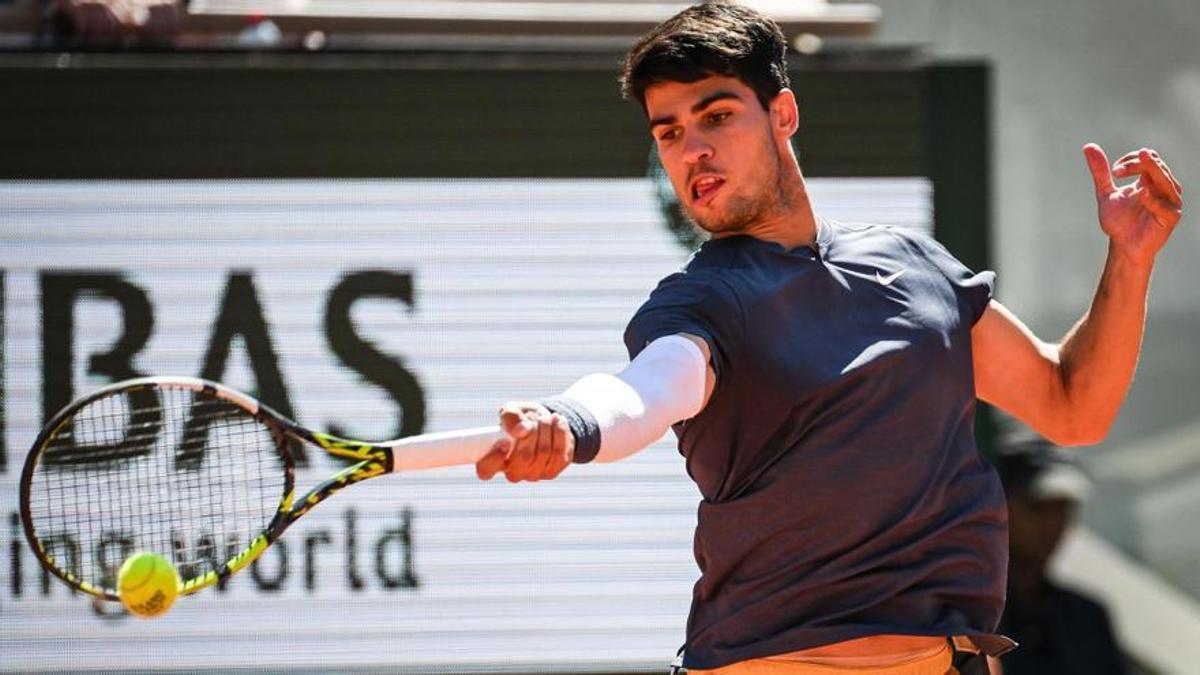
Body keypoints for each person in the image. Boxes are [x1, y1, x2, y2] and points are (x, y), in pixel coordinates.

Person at [473, 2, 1184, 673]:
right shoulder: (701, 301)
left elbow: (1072, 404)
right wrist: (570, 421)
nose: (692, 150)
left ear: (783, 113)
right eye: (670, 132)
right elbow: (644, 391)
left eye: (716, 116)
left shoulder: (915, 264)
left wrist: (1130, 257)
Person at [994, 441, 1129, 675]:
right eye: (1039, 508)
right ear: (1001, 506)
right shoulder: (964, 618)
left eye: (1062, 508)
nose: (1053, 524)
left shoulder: (1088, 616)